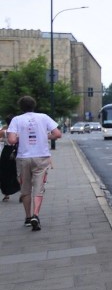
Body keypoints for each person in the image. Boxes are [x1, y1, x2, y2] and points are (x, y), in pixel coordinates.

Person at [5, 96, 62, 232]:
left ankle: (28, 218)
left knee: (25, 188)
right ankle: (36, 214)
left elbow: (12, 140)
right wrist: (44, 136)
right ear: (34, 106)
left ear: (21, 107)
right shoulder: (43, 117)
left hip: (23, 158)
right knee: (38, 187)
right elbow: (57, 134)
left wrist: (20, 137)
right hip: (41, 157)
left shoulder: (16, 120)